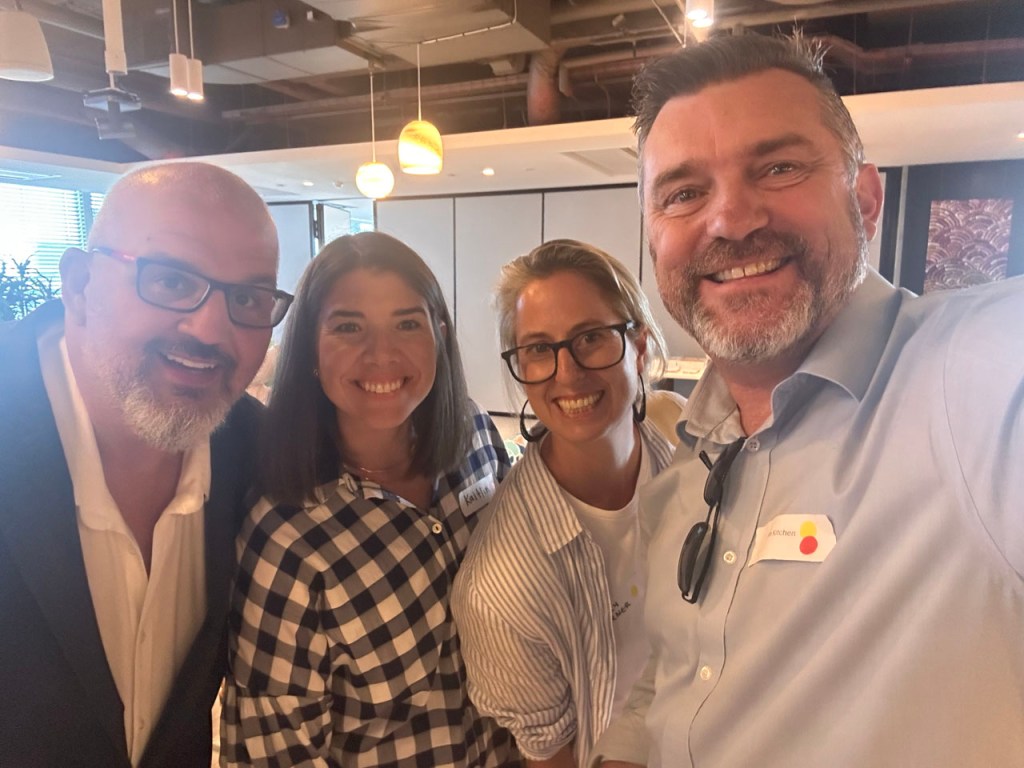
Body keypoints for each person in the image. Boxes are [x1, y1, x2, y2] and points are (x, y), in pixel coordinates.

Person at [592, 34, 1024, 768]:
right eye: (684, 193)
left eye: (779, 167)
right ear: (654, 239)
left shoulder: (966, 378)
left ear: (865, 200)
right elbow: (676, 678)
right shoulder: (686, 472)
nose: (731, 219)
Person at [0, 162, 287, 768]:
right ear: (80, 285)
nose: (210, 329)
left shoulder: (256, 453)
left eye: (247, 298)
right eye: (172, 281)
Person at [221, 231, 518, 767]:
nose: (382, 354)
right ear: (310, 349)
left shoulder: (472, 435)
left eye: (407, 324)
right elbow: (277, 750)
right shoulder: (289, 536)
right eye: (348, 327)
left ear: (439, 334)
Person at [452, 239, 683, 768]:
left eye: (591, 338)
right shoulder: (501, 588)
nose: (567, 372)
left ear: (639, 346)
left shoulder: (687, 446)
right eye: (538, 349)